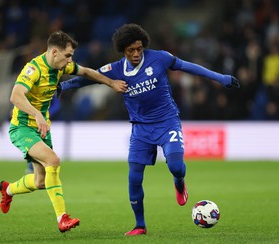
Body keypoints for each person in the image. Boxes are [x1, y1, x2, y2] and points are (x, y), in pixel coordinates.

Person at [59, 23, 240, 235]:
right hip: (140, 129)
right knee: (134, 178)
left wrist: (221, 78)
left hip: (167, 122)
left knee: (176, 166)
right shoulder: (115, 69)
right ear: (123, 50)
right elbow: (88, 78)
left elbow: (189, 66)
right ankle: (140, 225)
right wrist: (64, 86)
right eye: (130, 50)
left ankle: (179, 183)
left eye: (139, 49)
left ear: (143, 45)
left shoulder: (160, 58)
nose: (136, 54)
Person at [0, 30, 127, 233]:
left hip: (41, 129)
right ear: (55, 52)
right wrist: (37, 115)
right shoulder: (33, 69)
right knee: (53, 161)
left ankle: (7, 190)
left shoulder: (61, 66)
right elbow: (15, 96)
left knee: (40, 181)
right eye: (68, 55)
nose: (70, 60)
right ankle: (62, 218)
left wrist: (110, 83)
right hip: (22, 127)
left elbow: (86, 72)